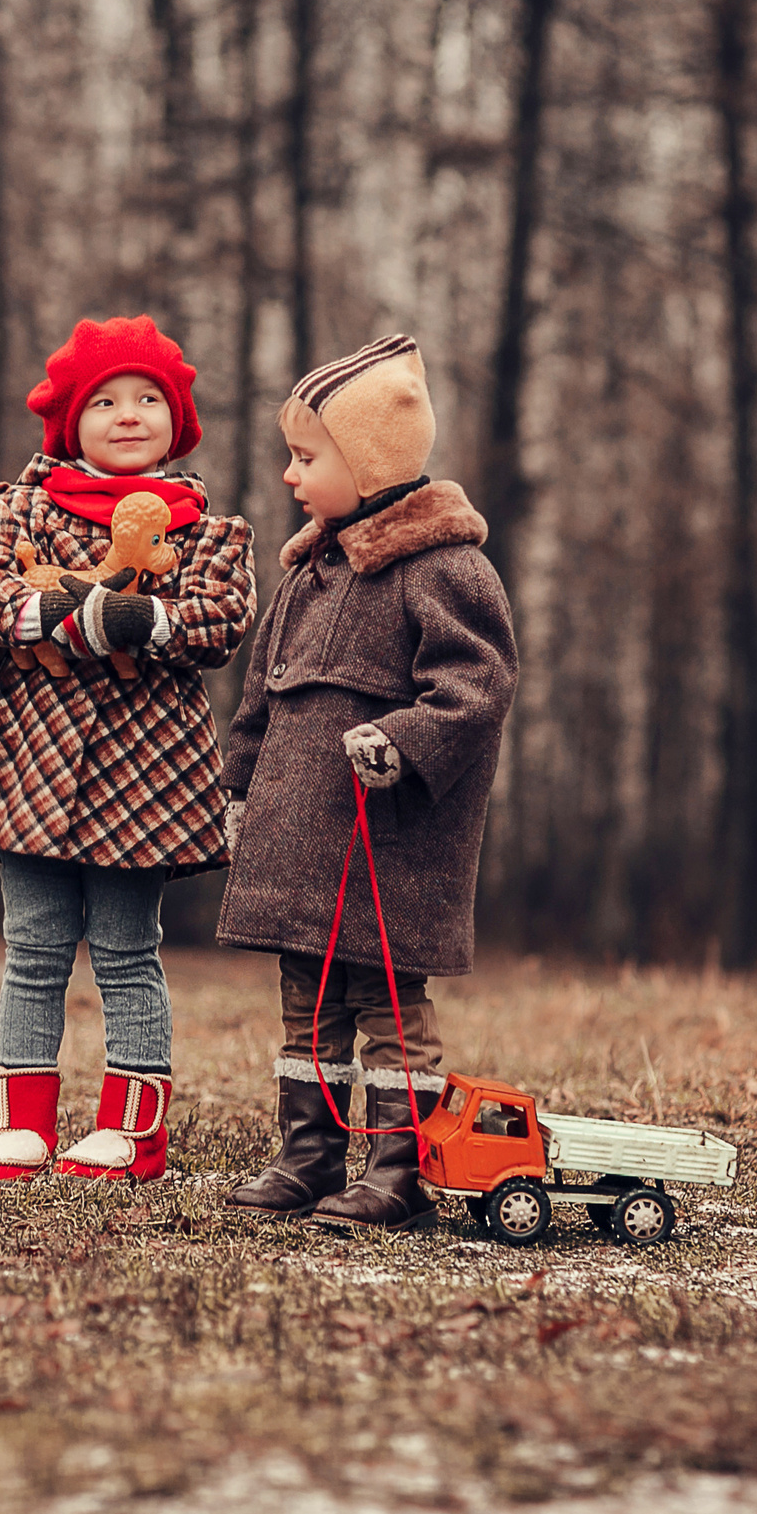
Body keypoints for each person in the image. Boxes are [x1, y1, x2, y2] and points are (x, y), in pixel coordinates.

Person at [0, 317, 255, 1185]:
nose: (127, 415)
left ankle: (133, 1129)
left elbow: (223, 618)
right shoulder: (15, 507)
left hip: (147, 773)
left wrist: (144, 617)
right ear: (68, 422)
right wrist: (63, 613)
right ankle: (19, 1121)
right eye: (104, 401)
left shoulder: (209, 529)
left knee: (130, 947)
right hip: (32, 767)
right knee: (35, 943)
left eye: (146, 400)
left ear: (178, 421)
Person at [218, 336, 517, 1230]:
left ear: (370, 459)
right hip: (298, 845)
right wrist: (237, 792)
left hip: (389, 847)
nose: (289, 475)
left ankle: (398, 1166)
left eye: (309, 457)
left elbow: (480, 686)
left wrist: (402, 740)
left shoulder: (444, 568)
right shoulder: (309, 572)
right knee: (306, 1008)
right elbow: (257, 703)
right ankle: (308, 1155)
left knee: (388, 1007)